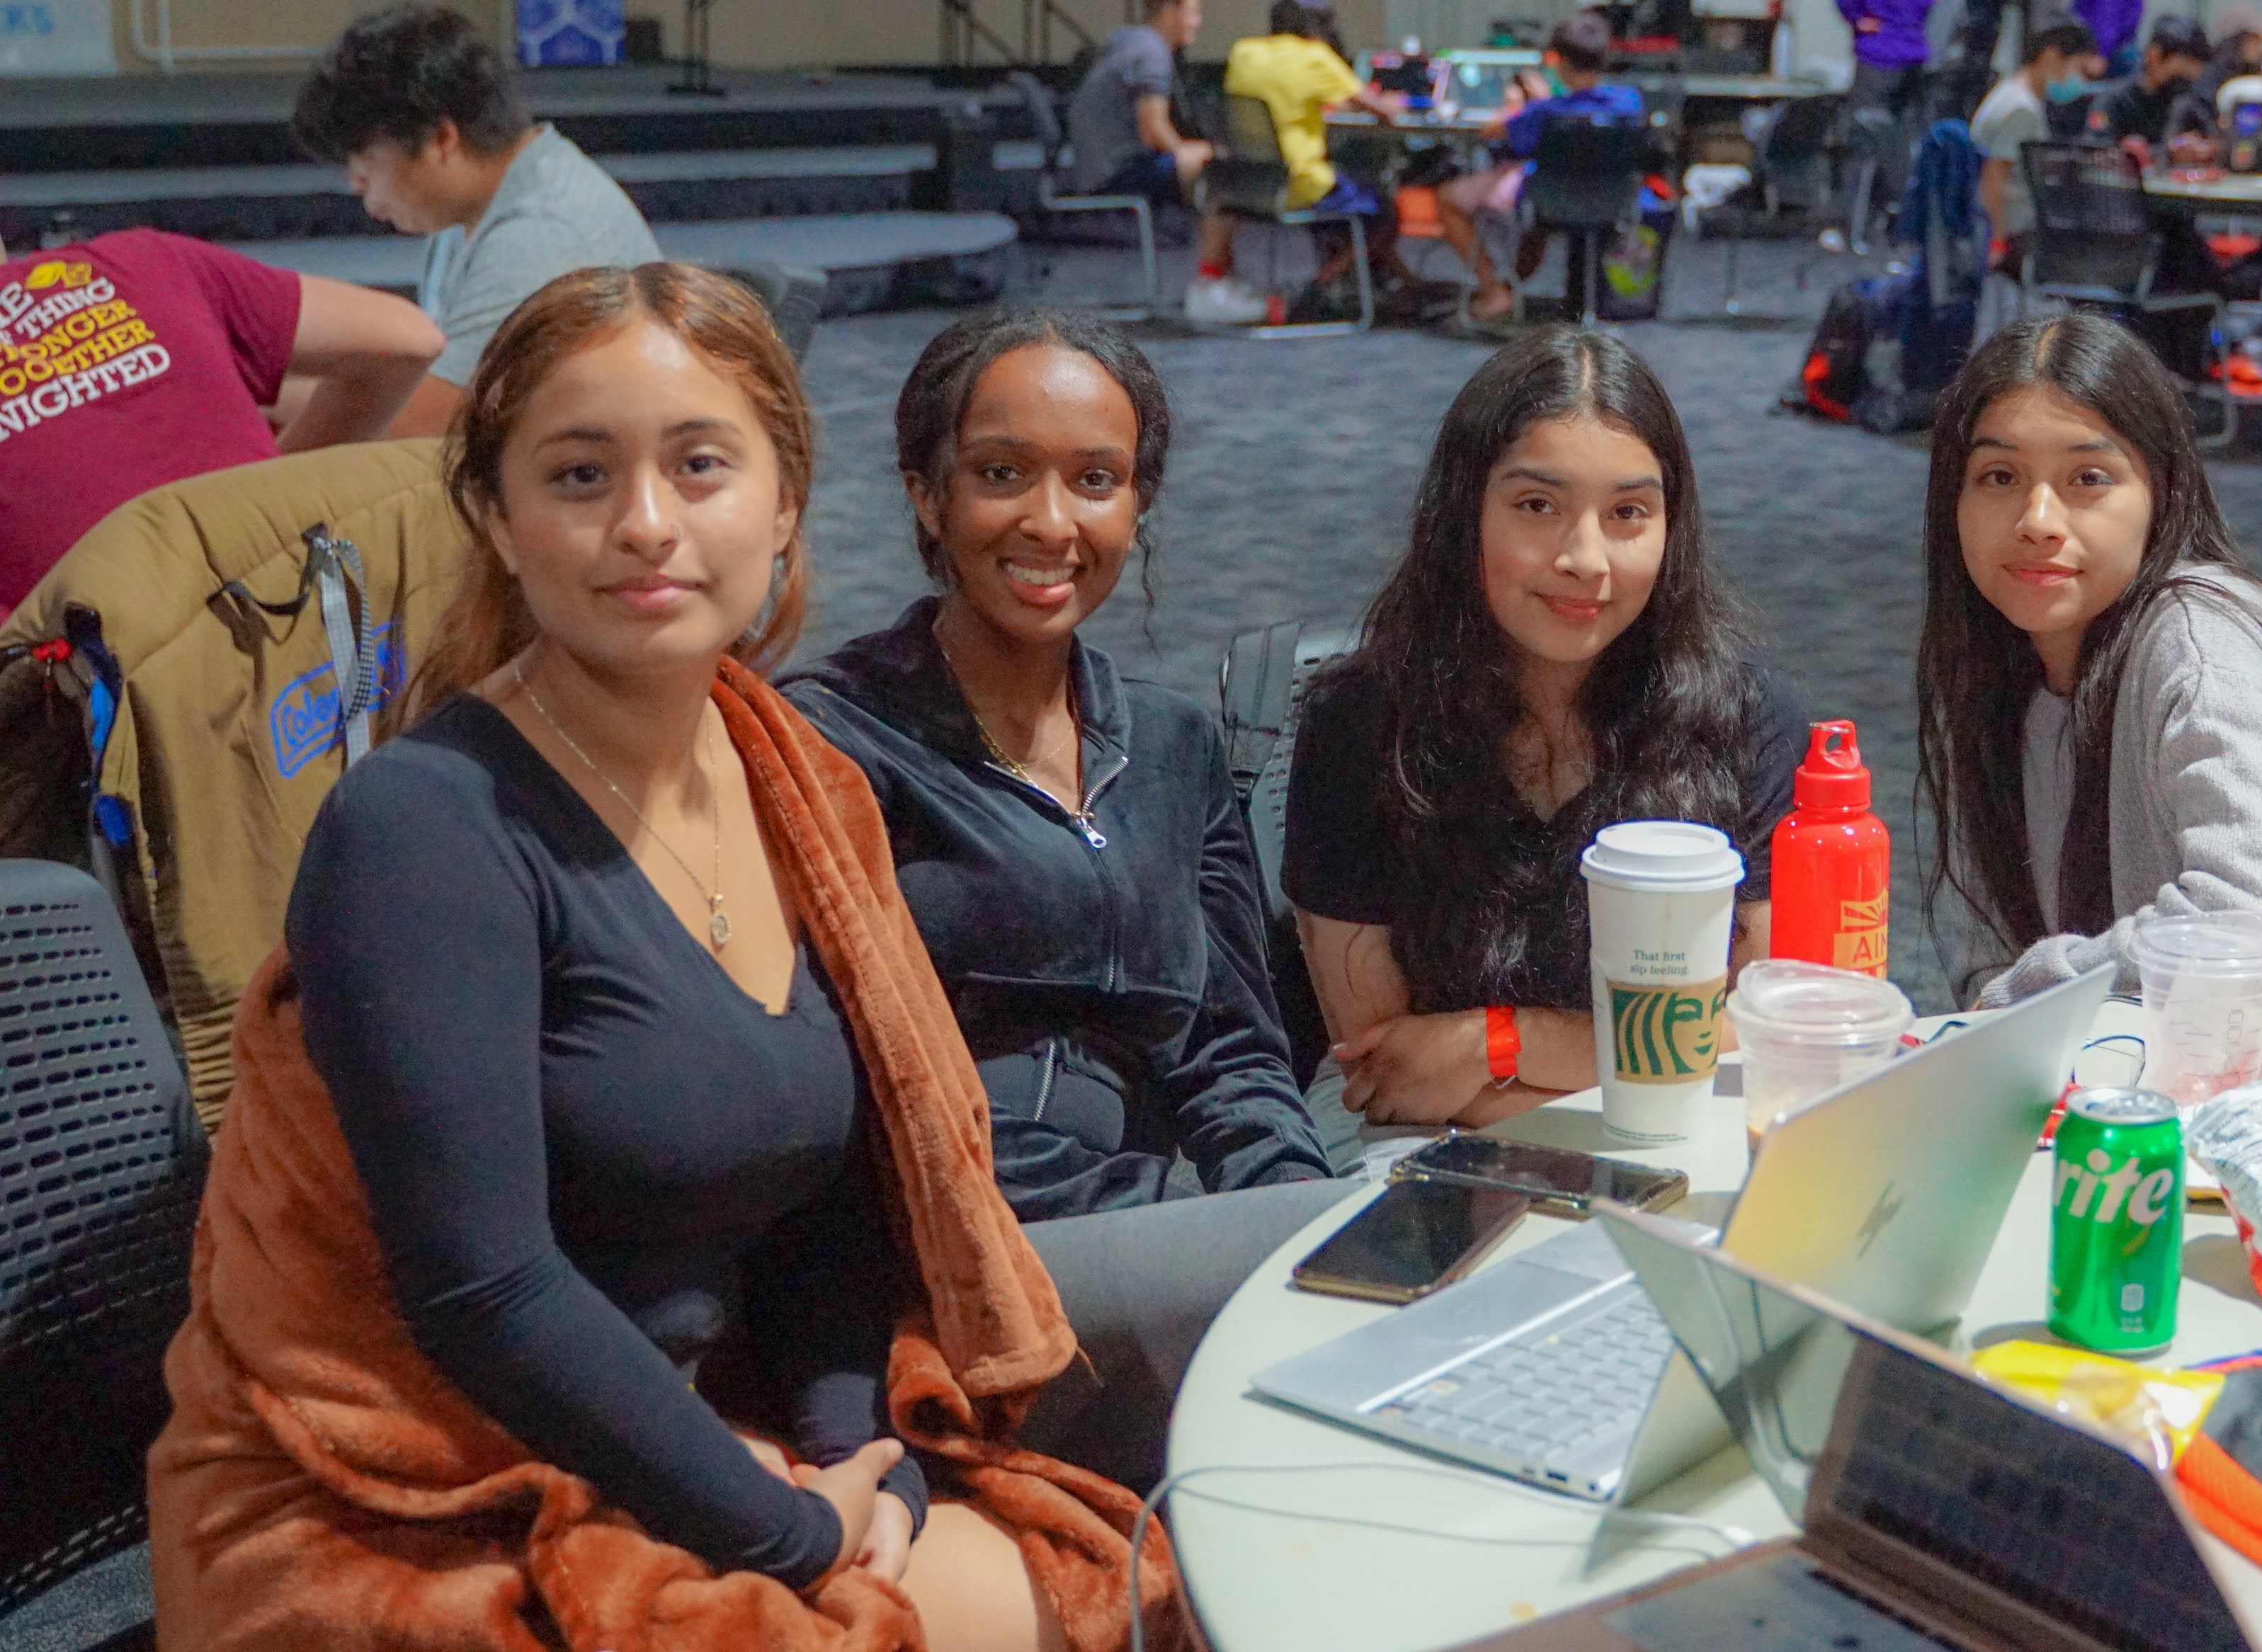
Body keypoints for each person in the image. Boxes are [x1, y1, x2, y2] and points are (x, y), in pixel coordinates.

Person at [143, 263, 1189, 1652]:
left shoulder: (792, 782)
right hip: (415, 1494)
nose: (645, 524)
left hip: (693, 1436)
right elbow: (481, 1292)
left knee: (1130, 1578)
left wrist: (851, 1459)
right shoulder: (422, 828)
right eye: (579, 475)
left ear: (784, 503)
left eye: (700, 465)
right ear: (501, 521)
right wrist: (793, 1533)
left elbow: (823, 1196)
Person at [780, 308, 1336, 1221]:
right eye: (1003, 474)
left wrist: (1295, 1210)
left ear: (1135, 502)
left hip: (1145, 1226)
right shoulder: (838, 735)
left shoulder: (1171, 743)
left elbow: (1234, 1053)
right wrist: (1187, 1225)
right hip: (944, 1232)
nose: (1050, 521)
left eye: (1094, 480)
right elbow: (867, 1090)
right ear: (928, 493)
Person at [1282, 327, 1807, 1151]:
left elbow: (1774, 1023)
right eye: (1537, 506)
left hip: (1689, 1143)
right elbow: (1390, 1072)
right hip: (1439, 1150)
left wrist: (1503, 1040)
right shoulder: (1358, 722)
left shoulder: (1744, 714)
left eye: (1629, 512)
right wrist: (1649, 1074)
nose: (1586, 558)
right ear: (1464, 515)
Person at [1914, 313, 2262, 1006]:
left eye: (2087, 477)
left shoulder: (2201, 640)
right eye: (1998, 475)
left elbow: (2257, 921)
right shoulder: (2009, 670)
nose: (2038, 519)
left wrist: (2035, 988)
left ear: (2161, 494)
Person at [0, 229, 441, 613]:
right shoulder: (142, 260)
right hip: (312, 639)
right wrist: (270, 497)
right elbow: (409, 340)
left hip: (130, 687)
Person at [291, 3, 660, 437]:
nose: (356, 181)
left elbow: (416, 429)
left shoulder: (537, 237)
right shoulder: (478, 203)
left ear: (441, 139)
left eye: (364, 156)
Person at [1188, 0, 1410, 326]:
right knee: (1383, 212)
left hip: (1250, 183)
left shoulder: (1244, 52)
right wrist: (1391, 102)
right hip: (1301, 184)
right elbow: (1380, 109)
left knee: (1350, 201)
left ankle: (1377, 284)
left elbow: (1282, 103)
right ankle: (1316, 288)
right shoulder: (1316, 57)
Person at [1435, 11, 1644, 327]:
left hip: (1548, 201)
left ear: (1557, 60)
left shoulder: (1543, 111)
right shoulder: (1630, 103)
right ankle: (1511, 287)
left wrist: (1525, 104)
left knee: (1450, 197)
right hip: (1614, 202)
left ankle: (1493, 291)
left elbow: (1495, 132)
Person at [1972, 16, 2101, 270]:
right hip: (2012, 235)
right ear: (2051, 55)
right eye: (2076, 69)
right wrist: (1996, 240)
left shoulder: (2012, 93)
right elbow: (1994, 179)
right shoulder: (2021, 109)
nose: (2077, 81)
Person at [1066, 0, 1217, 212]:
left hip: (1093, 171)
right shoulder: (1151, 54)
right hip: (1114, 177)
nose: (1198, 22)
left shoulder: (1128, 40)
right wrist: (1189, 153)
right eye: (1193, 13)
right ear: (1169, 12)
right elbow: (1153, 132)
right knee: (1218, 163)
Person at [1836, 0, 1934, 234]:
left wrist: (1857, 19)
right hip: (1914, 53)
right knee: (1907, 144)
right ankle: (1906, 222)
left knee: (1862, 141)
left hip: (1877, 54)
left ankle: (1855, 225)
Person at [2086, 14, 2214, 152]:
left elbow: (2213, 141)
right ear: (2154, 55)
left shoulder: (2189, 104)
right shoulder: (2112, 102)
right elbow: (2095, 152)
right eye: (2179, 72)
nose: (2186, 80)